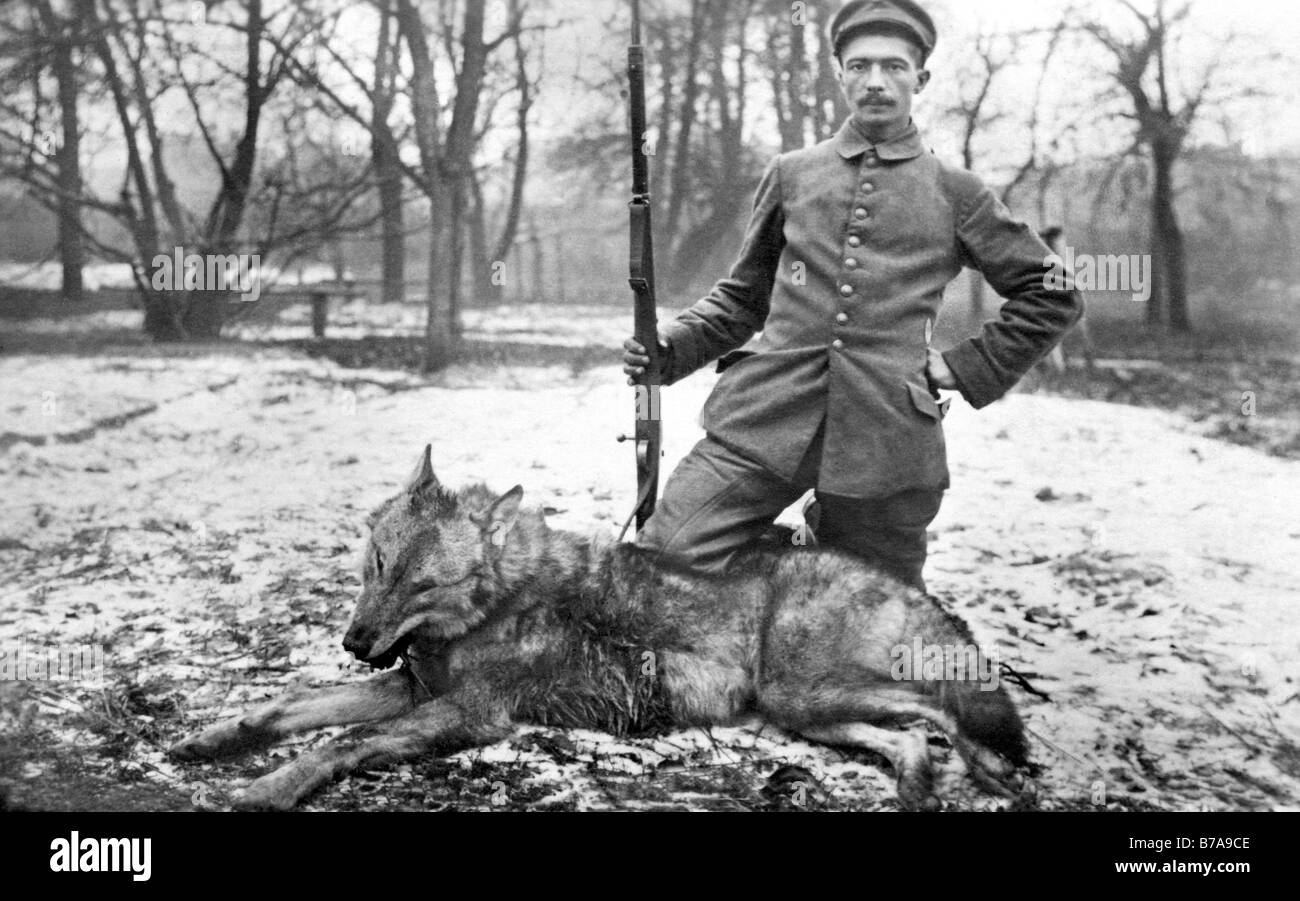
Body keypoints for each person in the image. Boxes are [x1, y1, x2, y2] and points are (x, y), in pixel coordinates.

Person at [621, 0, 1083, 592]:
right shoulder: (793, 173)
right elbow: (742, 299)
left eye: (894, 67)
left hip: (888, 442)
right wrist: (670, 344)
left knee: (882, 621)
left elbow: (1054, 292)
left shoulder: (956, 191)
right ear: (838, 73)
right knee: (663, 563)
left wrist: (967, 365)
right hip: (764, 417)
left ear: (922, 78)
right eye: (859, 65)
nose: (875, 82)